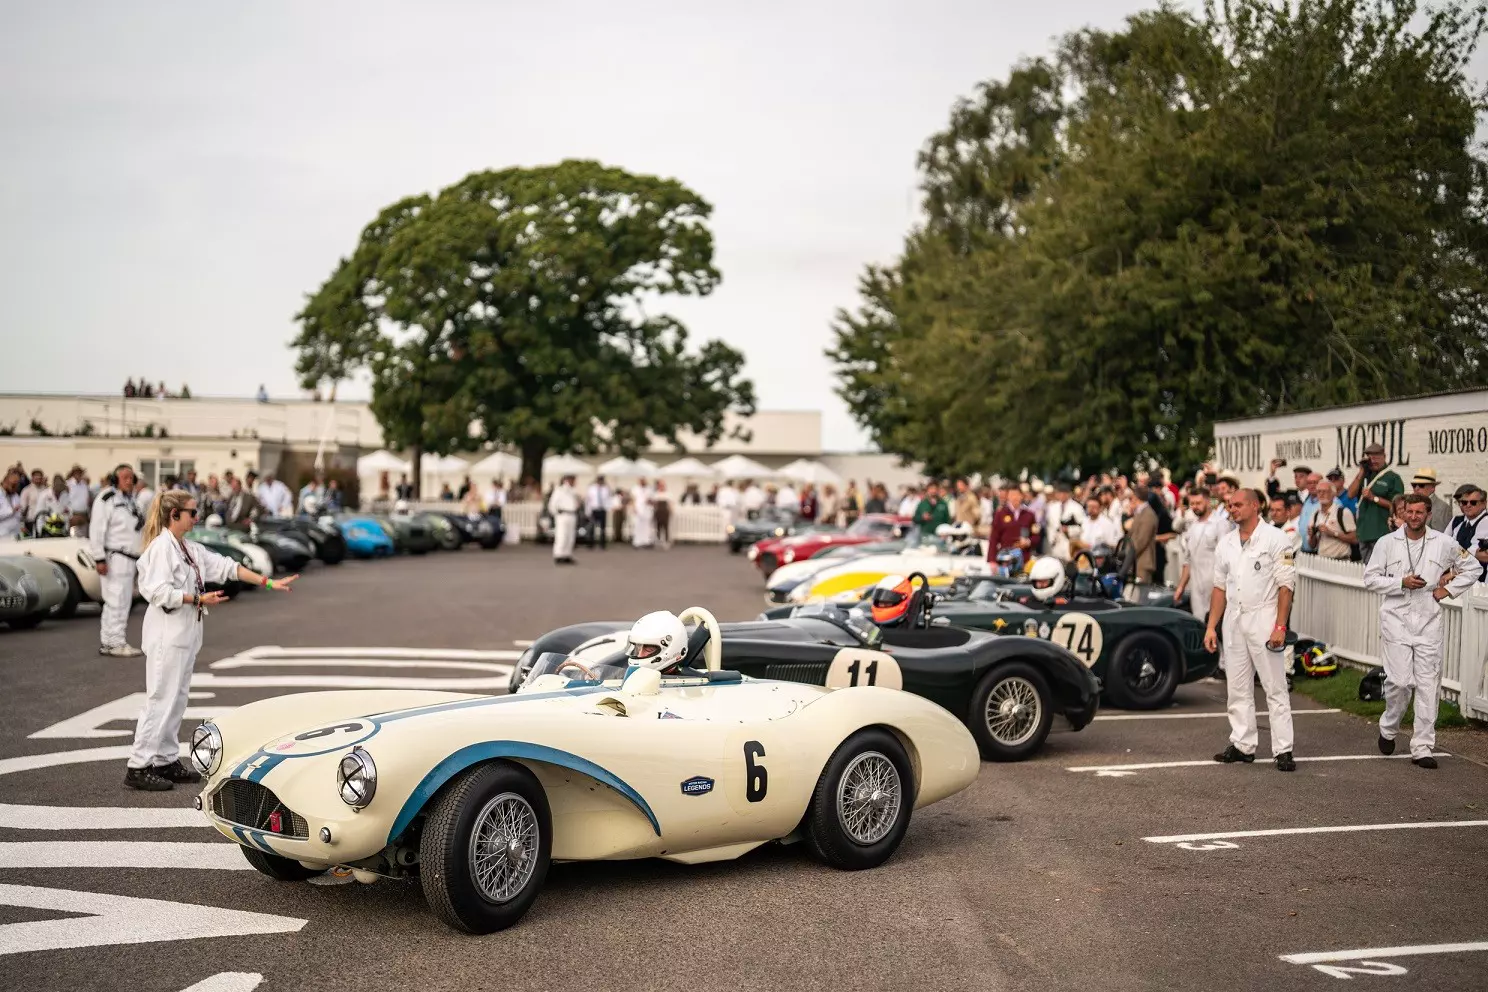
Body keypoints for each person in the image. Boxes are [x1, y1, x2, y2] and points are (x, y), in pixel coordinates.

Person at [125, 490, 296, 790]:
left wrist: (268, 582)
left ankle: (165, 759)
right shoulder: (161, 549)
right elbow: (156, 591)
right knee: (160, 699)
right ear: (174, 515)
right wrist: (196, 598)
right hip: (166, 635)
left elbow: (228, 567)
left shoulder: (188, 548)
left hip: (185, 635)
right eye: (192, 513)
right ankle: (138, 765)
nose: (197, 517)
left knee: (177, 699)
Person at [1362, 493, 1478, 769]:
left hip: (1428, 617)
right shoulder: (1387, 543)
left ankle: (1423, 746)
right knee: (1400, 682)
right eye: (1409, 512)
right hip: (1396, 617)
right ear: (1402, 513)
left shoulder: (1444, 542)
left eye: (1419, 512)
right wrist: (1400, 583)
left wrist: (1447, 590)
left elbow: (1472, 567)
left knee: (1428, 684)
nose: (1414, 517)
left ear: (1428, 514)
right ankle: (1389, 727)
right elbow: (1370, 579)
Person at [1205, 488, 1298, 772]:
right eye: (1230, 505)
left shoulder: (1276, 539)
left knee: (1274, 686)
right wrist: (1211, 627)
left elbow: (1286, 587)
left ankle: (1283, 749)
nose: (1232, 509)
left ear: (1255, 506)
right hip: (1234, 619)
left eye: (1238, 504)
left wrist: (1280, 626)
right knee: (1237, 686)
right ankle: (1243, 744)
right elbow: (1219, 587)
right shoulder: (1226, 543)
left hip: (1264, 617)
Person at [88, 464, 147, 657]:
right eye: (125, 478)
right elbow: (97, 530)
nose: (129, 481)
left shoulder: (132, 501)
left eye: (131, 478)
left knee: (121, 602)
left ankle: (110, 641)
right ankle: (115, 642)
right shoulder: (107, 499)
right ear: (115, 480)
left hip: (130, 558)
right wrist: (99, 558)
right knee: (116, 601)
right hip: (115, 557)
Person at [1347, 442, 1404, 563]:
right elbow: (1350, 494)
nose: (1373, 461)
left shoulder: (1393, 478)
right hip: (1363, 533)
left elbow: (1396, 506)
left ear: (1384, 456)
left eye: (1376, 457)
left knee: (1380, 567)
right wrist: (1361, 472)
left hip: (1381, 533)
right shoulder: (1365, 476)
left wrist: (1374, 498)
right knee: (1366, 569)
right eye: (1370, 457)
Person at [1174, 487, 1220, 625]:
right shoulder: (1192, 527)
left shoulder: (1220, 524)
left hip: (1215, 587)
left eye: (1198, 503)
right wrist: (1181, 587)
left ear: (1207, 501)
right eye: (1192, 503)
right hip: (1196, 589)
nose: (1195, 507)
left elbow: (1227, 560)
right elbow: (1188, 561)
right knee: (1199, 625)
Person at [1446, 485, 1488, 582]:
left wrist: (1458, 552)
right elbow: (1448, 545)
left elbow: (1473, 551)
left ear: (1484, 503)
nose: (1468, 505)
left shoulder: (1486, 521)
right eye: (1464, 502)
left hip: (1479, 580)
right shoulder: (1460, 523)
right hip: (1462, 579)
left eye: (1473, 502)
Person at [989, 487, 1038, 568]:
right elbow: (993, 538)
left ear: (1022, 496)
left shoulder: (1029, 515)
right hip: (1005, 559)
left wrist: (1028, 542)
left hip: (1024, 559)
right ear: (1008, 497)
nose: (1015, 498)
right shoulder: (1000, 514)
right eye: (1012, 495)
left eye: (1017, 495)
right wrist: (992, 560)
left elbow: (1036, 536)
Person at [1308, 481, 1357, 560]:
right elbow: (1312, 545)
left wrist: (1333, 533)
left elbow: (1355, 539)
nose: (1321, 494)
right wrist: (1311, 535)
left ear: (1333, 494)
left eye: (1325, 491)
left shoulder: (1343, 512)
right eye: (1319, 491)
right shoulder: (1315, 514)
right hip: (1321, 559)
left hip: (1341, 560)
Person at [1043, 483, 1086, 561]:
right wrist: (1051, 539)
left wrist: (1068, 529)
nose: (1062, 495)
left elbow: (1082, 527)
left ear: (1069, 494)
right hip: (1056, 543)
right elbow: (1049, 526)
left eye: (1064, 493)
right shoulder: (1052, 507)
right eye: (1060, 493)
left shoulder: (1077, 507)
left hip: (1070, 543)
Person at [1124, 488, 1158, 583]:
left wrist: (1127, 554)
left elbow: (1141, 540)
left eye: (1131, 498)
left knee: (1141, 591)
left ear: (1136, 498)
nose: (1130, 501)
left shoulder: (1148, 514)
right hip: (1135, 562)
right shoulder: (1140, 513)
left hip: (1142, 563)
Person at [547, 474, 580, 564]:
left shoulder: (573, 491)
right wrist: (556, 513)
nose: (574, 482)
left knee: (570, 536)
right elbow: (552, 504)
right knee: (562, 535)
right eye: (572, 480)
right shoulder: (560, 490)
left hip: (572, 514)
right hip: (562, 514)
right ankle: (559, 554)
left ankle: (567, 554)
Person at [585, 475, 611, 549]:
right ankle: (591, 543)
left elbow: (608, 499)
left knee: (602, 528)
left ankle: (602, 544)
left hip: (602, 509)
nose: (600, 481)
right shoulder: (591, 488)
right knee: (592, 527)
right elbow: (588, 500)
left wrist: (608, 508)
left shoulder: (606, 489)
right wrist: (587, 511)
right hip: (594, 509)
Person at [630, 477, 655, 548]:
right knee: (637, 525)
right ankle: (637, 542)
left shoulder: (649, 489)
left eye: (644, 480)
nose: (642, 481)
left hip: (647, 509)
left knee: (646, 526)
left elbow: (652, 499)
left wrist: (649, 501)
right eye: (641, 480)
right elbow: (633, 499)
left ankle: (646, 541)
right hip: (638, 508)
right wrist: (634, 507)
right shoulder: (635, 488)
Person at [0, 469, 21, 541]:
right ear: (5, 482)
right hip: (2, 534)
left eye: (16, 485)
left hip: (15, 533)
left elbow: (18, 514)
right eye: (13, 485)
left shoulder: (15, 495)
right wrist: (11, 511)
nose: (15, 487)